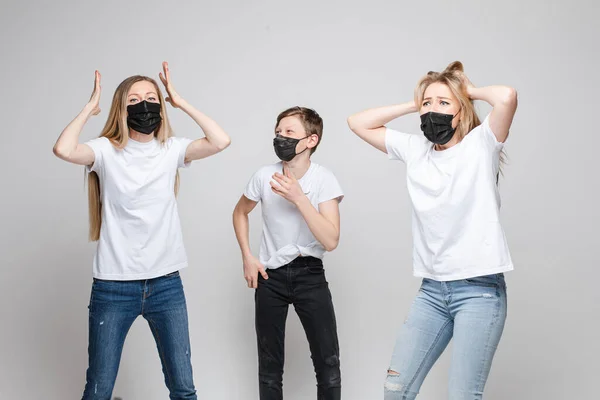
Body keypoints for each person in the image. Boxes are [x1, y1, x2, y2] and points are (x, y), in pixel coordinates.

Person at [53, 62, 231, 400]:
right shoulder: (105, 150)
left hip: (166, 284)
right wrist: (89, 109)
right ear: (122, 108)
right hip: (113, 286)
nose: (144, 105)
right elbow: (63, 149)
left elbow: (221, 140)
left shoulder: (171, 149)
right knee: (98, 388)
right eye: (134, 100)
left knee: (183, 386)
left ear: (161, 108)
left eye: (151, 98)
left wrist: (180, 101)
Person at [347, 61, 518, 400]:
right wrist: (417, 101)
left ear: (461, 110)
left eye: (444, 103)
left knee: (462, 395)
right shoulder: (415, 151)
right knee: (396, 391)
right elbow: (358, 122)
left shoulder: (481, 145)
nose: (433, 110)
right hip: (432, 292)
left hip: (479, 291)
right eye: (428, 104)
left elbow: (507, 97)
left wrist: (465, 90)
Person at [232, 106, 344, 400]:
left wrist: (299, 198)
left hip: (310, 275)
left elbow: (331, 240)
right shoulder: (263, 175)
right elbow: (240, 212)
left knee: (328, 364)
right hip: (270, 276)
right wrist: (247, 255)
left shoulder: (324, 179)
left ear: (311, 140)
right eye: (278, 131)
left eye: (289, 132)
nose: (280, 137)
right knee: (269, 368)